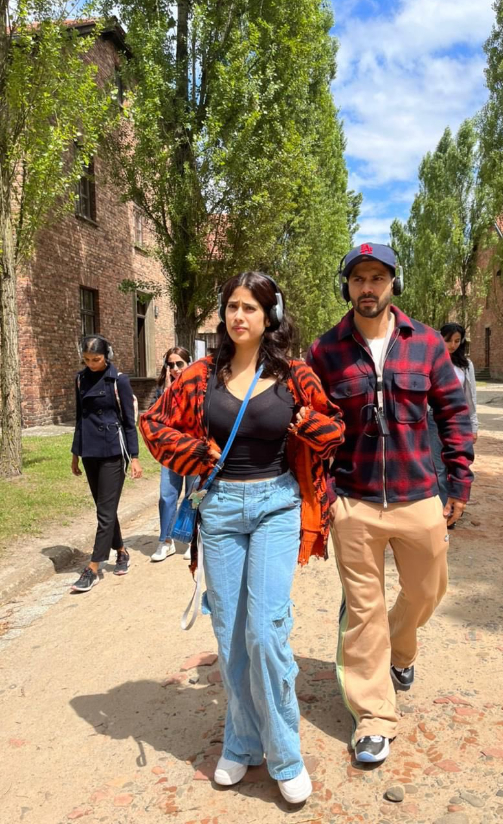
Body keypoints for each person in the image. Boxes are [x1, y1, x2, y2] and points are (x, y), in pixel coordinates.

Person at [140, 272, 344, 804]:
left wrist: (306, 425)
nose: (239, 316)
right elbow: (153, 423)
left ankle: (285, 753)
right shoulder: (201, 375)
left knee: (265, 630)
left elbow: (334, 426)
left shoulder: (294, 375)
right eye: (233, 306)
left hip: (277, 504)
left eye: (251, 307)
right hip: (223, 509)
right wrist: (195, 454)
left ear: (269, 316)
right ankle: (242, 739)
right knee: (230, 635)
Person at [306, 243, 474, 765]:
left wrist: (458, 482)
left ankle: (400, 649)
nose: (368, 288)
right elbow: (309, 425)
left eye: (378, 277)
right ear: (347, 286)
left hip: (418, 494)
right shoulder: (325, 351)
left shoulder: (424, 343)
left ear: (393, 283)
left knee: (428, 590)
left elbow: (454, 412)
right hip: (353, 503)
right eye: (358, 278)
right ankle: (374, 716)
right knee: (363, 610)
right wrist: (326, 494)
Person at [70, 335, 142, 592]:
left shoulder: (119, 380)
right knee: (105, 508)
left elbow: (129, 421)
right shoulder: (80, 379)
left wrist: (134, 457)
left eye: (96, 359)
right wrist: (75, 454)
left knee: (104, 511)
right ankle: (121, 551)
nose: (91, 364)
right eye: (87, 360)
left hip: (113, 450)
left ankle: (93, 567)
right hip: (89, 450)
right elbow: (80, 417)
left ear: (107, 356)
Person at [150, 346, 199, 562]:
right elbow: (156, 420)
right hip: (170, 451)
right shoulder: (161, 390)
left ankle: (192, 539)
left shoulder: (200, 386)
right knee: (166, 494)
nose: (175, 368)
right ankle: (166, 541)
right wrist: (168, 393)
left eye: (179, 363)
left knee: (194, 495)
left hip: (193, 448)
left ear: (189, 363)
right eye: (170, 364)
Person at [428, 322, 478, 509]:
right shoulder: (430, 361)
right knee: (437, 466)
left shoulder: (465, 365)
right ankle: (442, 508)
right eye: (448, 340)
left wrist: (474, 426)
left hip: (459, 419)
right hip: (433, 419)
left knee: (458, 465)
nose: (452, 345)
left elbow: (470, 397)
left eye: (457, 341)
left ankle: (456, 501)